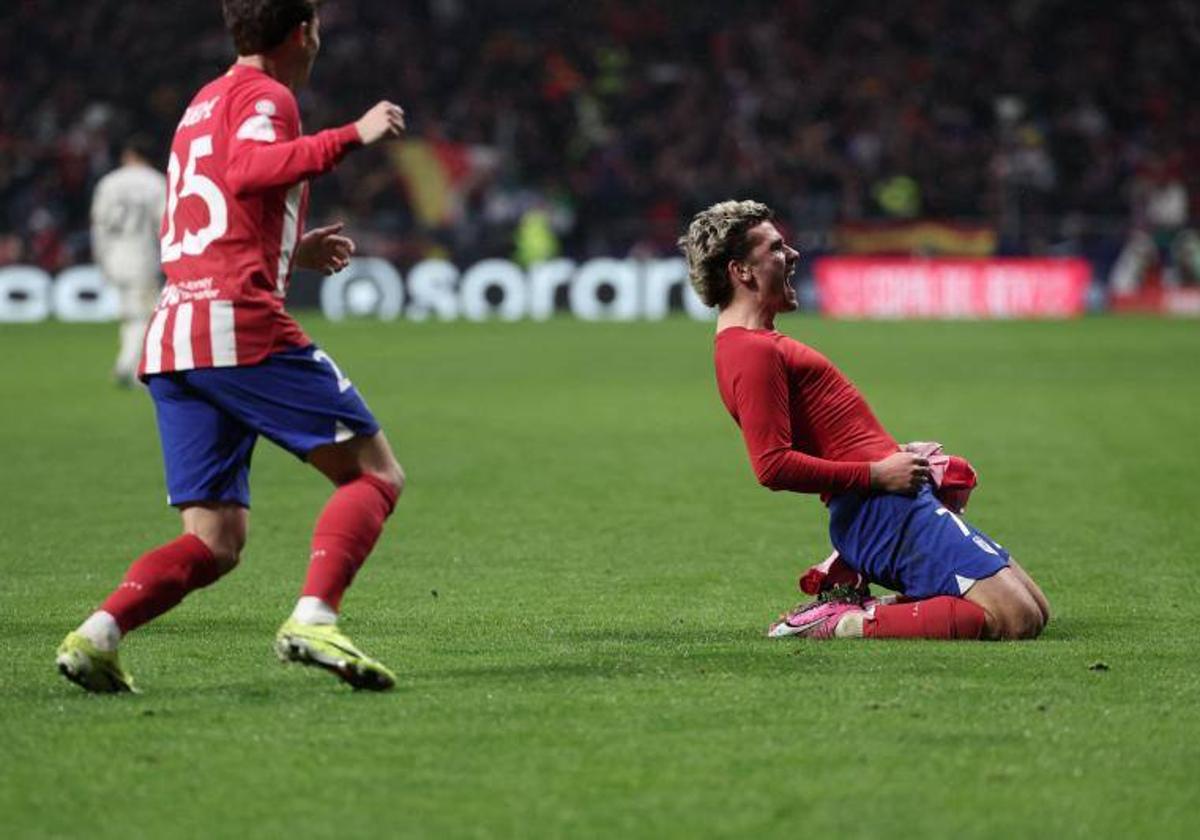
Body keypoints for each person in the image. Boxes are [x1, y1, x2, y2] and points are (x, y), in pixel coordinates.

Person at [56, 0, 409, 692]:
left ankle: (98, 634)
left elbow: (212, 208)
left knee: (214, 542)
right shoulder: (267, 95)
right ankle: (314, 616)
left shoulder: (202, 102)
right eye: (316, 31)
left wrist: (287, 252)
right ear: (302, 31)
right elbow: (249, 171)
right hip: (237, 326)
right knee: (374, 475)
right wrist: (353, 135)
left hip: (176, 333)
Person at [678, 200, 1050, 641]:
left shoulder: (756, 344)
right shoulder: (750, 351)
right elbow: (772, 465)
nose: (793, 254)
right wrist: (877, 472)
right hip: (877, 510)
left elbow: (832, 433)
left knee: (1036, 608)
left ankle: (859, 602)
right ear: (742, 272)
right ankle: (841, 622)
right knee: (1015, 620)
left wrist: (894, 455)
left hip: (890, 499)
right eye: (776, 249)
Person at [90, 135, 168, 387]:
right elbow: (164, 225)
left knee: (129, 313)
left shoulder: (109, 182)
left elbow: (98, 223)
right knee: (143, 315)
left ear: (128, 155)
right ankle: (127, 366)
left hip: (113, 254)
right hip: (142, 254)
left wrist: (100, 257)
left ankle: (131, 366)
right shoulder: (156, 183)